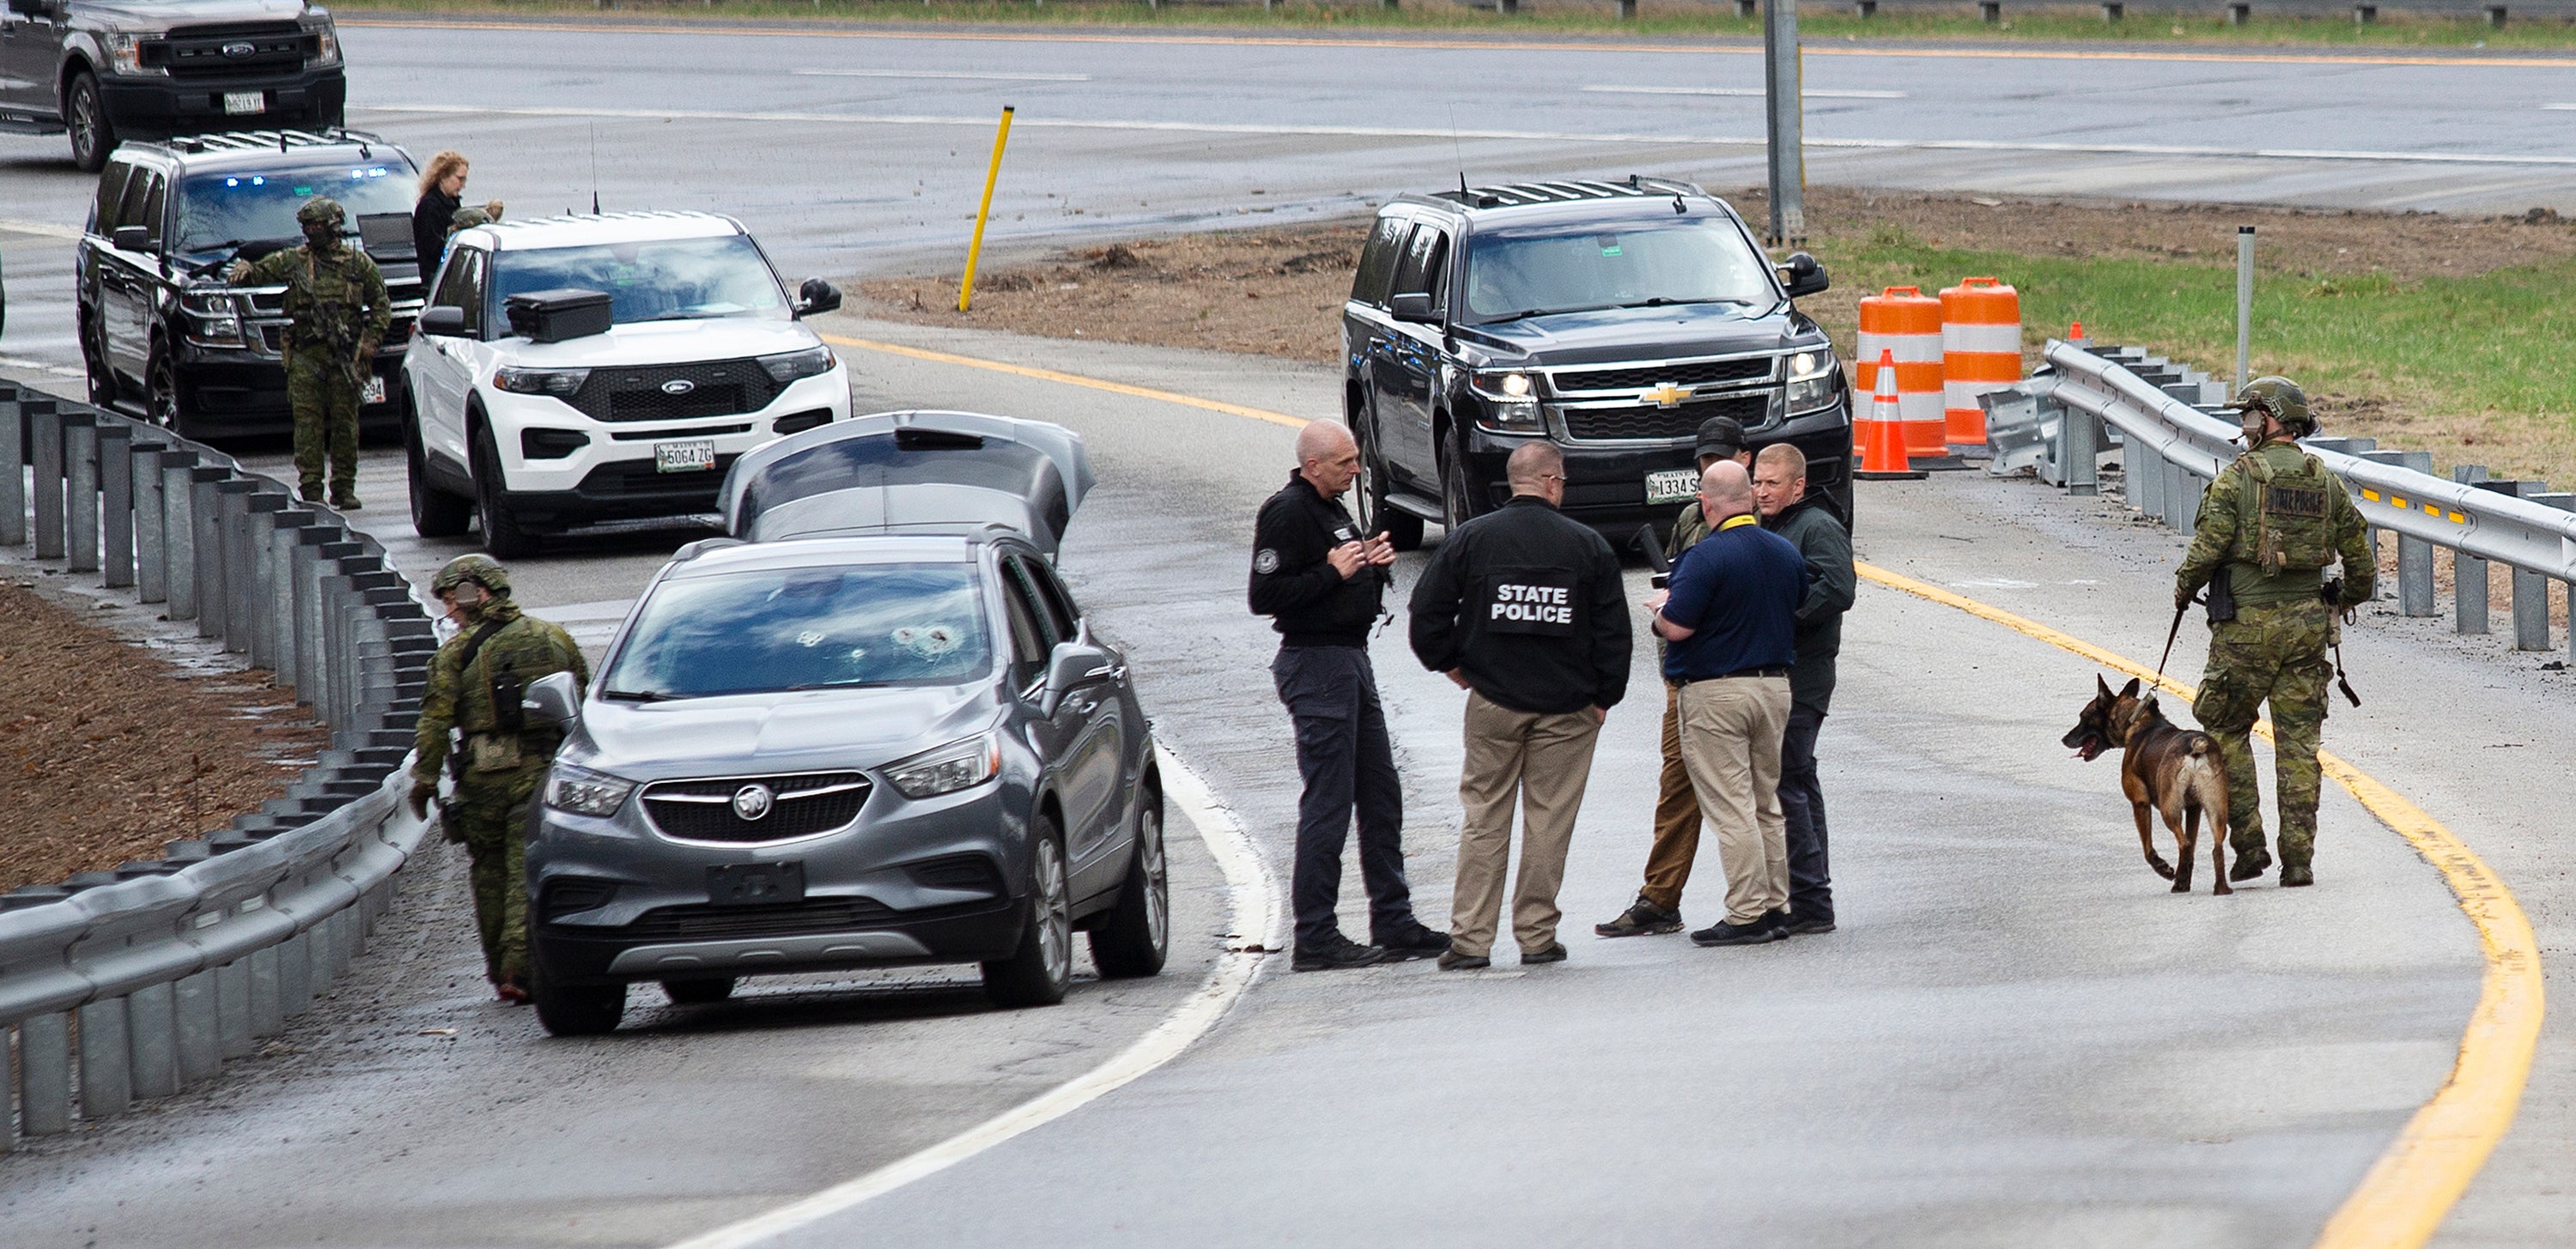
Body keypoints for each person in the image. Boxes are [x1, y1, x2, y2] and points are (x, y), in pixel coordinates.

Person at [1408, 442, 1631, 970]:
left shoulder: (1472, 538)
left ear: (1515, 483)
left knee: (1485, 818)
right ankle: (1536, 936)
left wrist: (1452, 665)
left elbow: (1426, 609)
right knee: (1549, 823)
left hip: (1493, 703)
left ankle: (1469, 942)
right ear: (1553, 481)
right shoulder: (1588, 546)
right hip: (1569, 710)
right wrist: (1605, 697)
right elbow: (1613, 634)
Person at [1250, 421, 1450, 971]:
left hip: (1350, 661)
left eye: (1356, 459)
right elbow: (1264, 594)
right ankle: (1315, 937)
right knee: (1329, 804)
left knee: (1381, 796)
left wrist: (1368, 562)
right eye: (1345, 462)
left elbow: (1341, 568)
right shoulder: (1288, 512)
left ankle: (1393, 920)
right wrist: (1333, 572)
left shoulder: (1332, 506)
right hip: (1316, 665)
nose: (1356, 469)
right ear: (1313, 465)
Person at [2174, 376, 2372, 888]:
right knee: (2299, 746)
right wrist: (2339, 601)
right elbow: (2362, 567)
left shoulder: (2237, 478)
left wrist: (2183, 588)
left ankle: (2250, 845)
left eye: (2248, 417)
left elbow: (2208, 548)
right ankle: (2300, 860)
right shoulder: (2324, 480)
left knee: (2222, 730)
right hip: (2308, 630)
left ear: (2270, 419)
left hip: (2245, 631)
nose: (2243, 428)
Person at [1597, 415, 1756, 937]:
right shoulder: (1692, 517)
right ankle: (1661, 898)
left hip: (1747, 672)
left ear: (1746, 460)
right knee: (1677, 786)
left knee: (1772, 793)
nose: (1710, 469)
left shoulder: (1760, 519)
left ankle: (1785, 899)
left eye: (1720, 460)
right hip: (1686, 677)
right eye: (1704, 461)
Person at [406, 555, 589, 1003]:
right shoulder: (554, 638)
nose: (449, 612)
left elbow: (434, 720)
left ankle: (505, 971)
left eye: (451, 600)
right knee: (523, 871)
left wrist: (425, 779)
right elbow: (584, 698)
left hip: (481, 782)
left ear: (474, 592)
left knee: (489, 872)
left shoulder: (454, 654)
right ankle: (518, 967)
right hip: (541, 773)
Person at [1645, 461, 1806, 947]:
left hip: (1717, 692)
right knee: (1765, 804)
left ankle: (1746, 913)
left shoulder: (1705, 556)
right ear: (1751, 499)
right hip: (1774, 687)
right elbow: (1797, 603)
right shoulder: (1784, 551)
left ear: (1707, 504)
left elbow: (1679, 627)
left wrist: (1659, 612)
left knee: (1730, 807)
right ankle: (1778, 906)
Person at [228, 197, 389, 511]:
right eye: (307, 227)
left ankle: (343, 488)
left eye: (317, 226)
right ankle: (311, 490)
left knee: (345, 423)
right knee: (307, 425)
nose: (312, 232)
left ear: (332, 226)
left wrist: (369, 343)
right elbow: (261, 271)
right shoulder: (296, 261)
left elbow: (381, 304)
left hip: (343, 358)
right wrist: (247, 268)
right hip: (306, 356)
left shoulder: (358, 264)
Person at [1752, 444, 1854, 933]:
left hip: (1804, 677)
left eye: (1772, 483)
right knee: (1798, 779)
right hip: (1782, 672)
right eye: (1757, 481)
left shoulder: (1817, 526)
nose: (1762, 491)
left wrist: (1781, 622)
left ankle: (1812, 902)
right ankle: (1808, 892)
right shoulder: (1770, 526)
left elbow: (1838, 587)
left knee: (1789, 780)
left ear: (1798, 485)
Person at [411, 151, 501, 278]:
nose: (462, 185)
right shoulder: (429, 207)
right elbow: (433, 251)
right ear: (443, 176)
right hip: (438, 279)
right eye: (460, 179)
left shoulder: (451, 202)